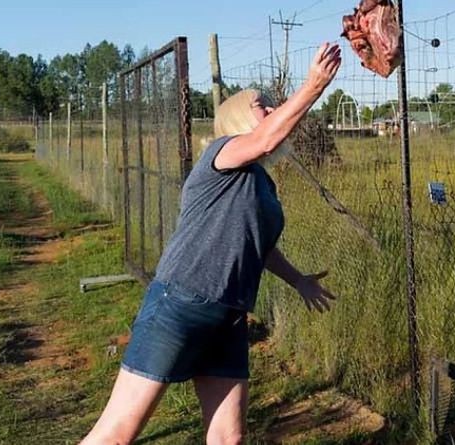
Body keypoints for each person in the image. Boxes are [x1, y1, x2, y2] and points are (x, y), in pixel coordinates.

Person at [81, 42, 343, 445]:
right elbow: (267, 140)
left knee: (228, 439)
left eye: (272, 106)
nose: (271, 110)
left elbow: (259, 243)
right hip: (180, 303)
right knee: (118, 434)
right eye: (262, 105)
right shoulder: (221, 155)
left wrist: (299, 280)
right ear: (238, 117)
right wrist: (312, 87)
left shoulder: (260, 182)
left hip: (230, 315)